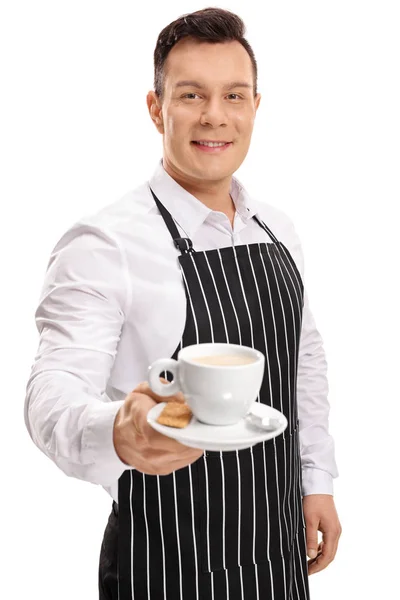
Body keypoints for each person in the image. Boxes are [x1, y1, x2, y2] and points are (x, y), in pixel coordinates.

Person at [24, 7, 341, 600]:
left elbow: (304, 360)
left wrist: (316, 482)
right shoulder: (105, 243)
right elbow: (52, 392)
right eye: (192, 94)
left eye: (234, 95)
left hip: (276, 548)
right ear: (156, 107)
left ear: (254, 107)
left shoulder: (277, 228)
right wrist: (116, 431)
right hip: (165, 559)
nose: (215, 116)